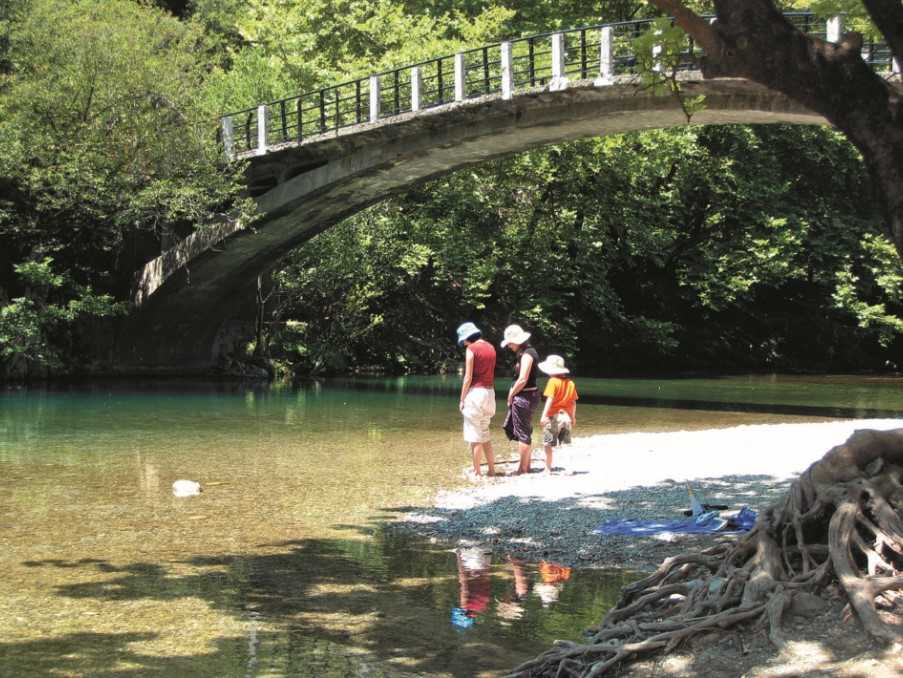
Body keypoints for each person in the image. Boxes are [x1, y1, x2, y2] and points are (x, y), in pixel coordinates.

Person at [456, 321, 497, 477]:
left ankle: (477, 472)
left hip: (475, 394)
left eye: (464, 341)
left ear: (468, 338)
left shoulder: (471, 349)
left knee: (474, 436)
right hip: (490, 393)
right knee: (484, 432)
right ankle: (492, 470)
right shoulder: (491, 347)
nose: (464, 344)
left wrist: (462, 399)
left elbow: (468, 377)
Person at [500, 324, 539, 474]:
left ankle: (522, 469)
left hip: (525, 396)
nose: (509, 346)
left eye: (510, 343)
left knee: (523, 433)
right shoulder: (527, 352)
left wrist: (511, 394)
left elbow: (523, 379)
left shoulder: (527, 354)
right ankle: (526, 466)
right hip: (530, 395)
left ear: (517, 341)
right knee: (525, 430)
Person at [537, 354, 578, 473]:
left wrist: (543, 415)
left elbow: (550, 399)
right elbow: (573, 402)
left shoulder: (552, 381)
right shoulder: (571, 383)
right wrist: (573, 417)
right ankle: (568, 468)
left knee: (548, 443)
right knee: (565, 442)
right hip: (566, 417)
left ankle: (547, 468)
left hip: (553, 417)